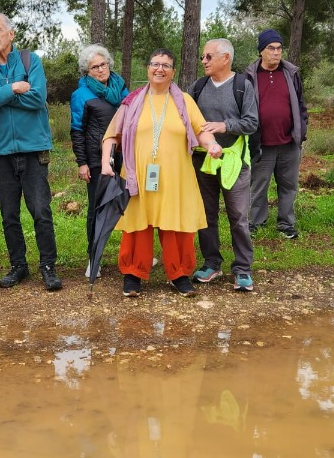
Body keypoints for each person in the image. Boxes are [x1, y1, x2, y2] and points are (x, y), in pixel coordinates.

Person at [100, 49, 224, 298]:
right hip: (139, 177)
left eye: (165, 65)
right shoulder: (132, 100)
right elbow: (112, 135)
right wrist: (106, 164)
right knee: (137, 225)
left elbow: (201, 130)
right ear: (147, 68)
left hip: (176, 177)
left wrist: (211, 144)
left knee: (177, 225)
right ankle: (133, 273)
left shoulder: (185, 101)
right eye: (155, 64)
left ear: (173, 71)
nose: (159, 69)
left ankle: (179, 274)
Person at [0, 11, 62, 291]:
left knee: (40, 210)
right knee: (9, 213)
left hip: (33, 150)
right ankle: (18, 265)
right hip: (0, 152)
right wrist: (13, 88)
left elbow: (37, 98)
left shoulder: (29, 60)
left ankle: (48, 265)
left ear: (11, 34)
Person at [190, 38, 259, 292]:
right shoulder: (197, 87)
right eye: (203, 57)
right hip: (203, 161)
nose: (204, 61)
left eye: (209, 57)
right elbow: (187, 120)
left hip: (234, 161)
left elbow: (252, 123)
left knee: (239, 217)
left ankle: (242, 269)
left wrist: (224, 125)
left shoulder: (243, 86)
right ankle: (211, 264)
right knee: (206, 215)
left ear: (225, 58)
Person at [69, 44, 129, 277]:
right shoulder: (81, 94)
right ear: (87, 70)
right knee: (97, 209)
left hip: (124, 155)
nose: (101, 69)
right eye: (95, 67)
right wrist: (81, 163)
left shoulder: (120, 87)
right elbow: (77, 130)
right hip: (95, 159)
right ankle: (94, 258)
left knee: (129, 205)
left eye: (103, 64)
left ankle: (132, 254)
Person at [244, 28, 308, 239]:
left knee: (289, 186)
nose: (276, 52)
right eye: (271, 48)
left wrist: (302, 131)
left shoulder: (290, 73)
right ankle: (255, 222)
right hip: (261, 144)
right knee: (258, 185)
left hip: (289, 143)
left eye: (279, 48)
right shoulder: (249, 77)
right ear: (261, 51)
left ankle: (286, 223)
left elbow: (300, 105)